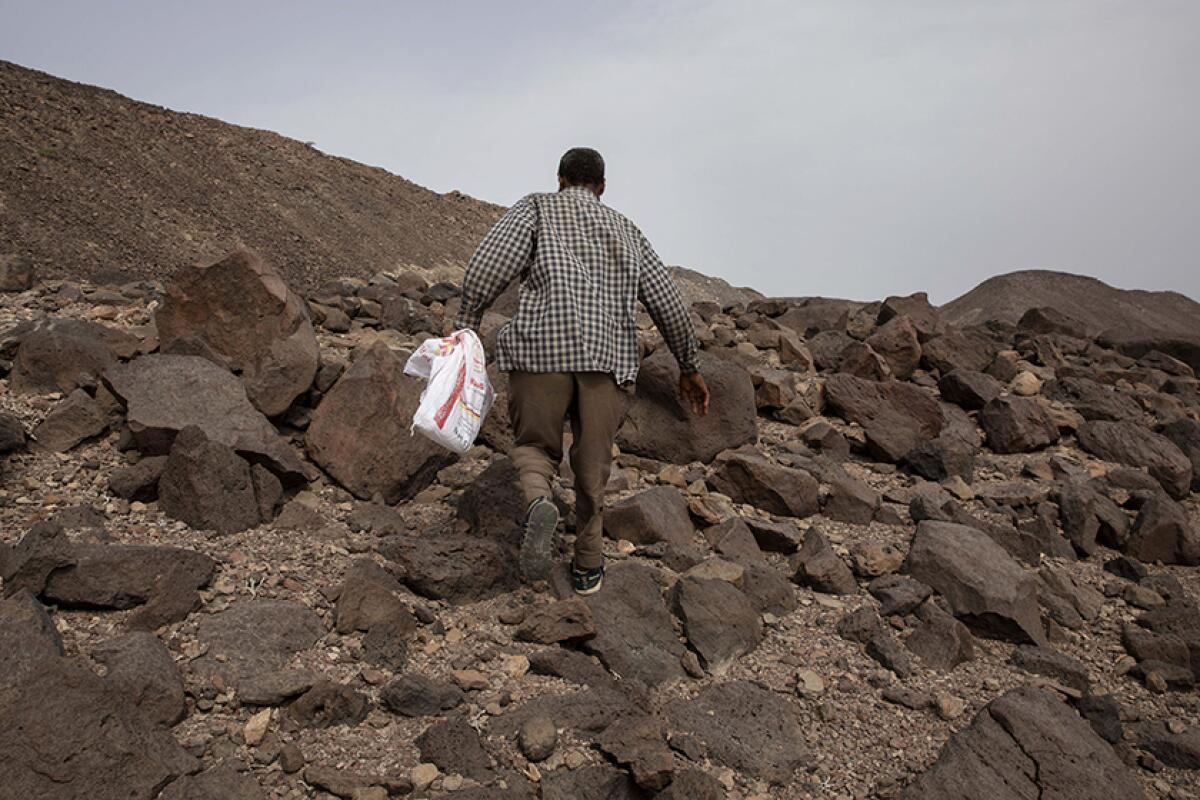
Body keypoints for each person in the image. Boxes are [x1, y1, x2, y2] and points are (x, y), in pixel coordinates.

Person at [453, 147, 709, 595]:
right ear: (603, 188)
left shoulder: (537, 207)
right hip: (606, 362)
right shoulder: (627, 230)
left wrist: (468, 324)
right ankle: (588, 562)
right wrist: (689, 364)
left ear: (559, 178)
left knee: (535, 446)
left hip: (540, 353)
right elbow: (667, 300)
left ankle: (538, 501)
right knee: (593, 463)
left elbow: (489, 265)